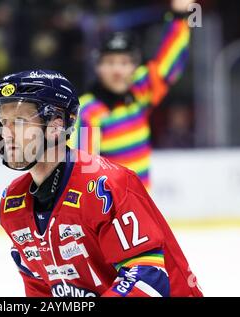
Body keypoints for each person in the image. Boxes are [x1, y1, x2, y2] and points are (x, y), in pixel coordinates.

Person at [0, 69, 202, 297]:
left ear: (56, 125)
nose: (6, 133)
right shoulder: (13, 203)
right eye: (3, 122)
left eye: (19, 122)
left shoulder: (106, 186)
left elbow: (149, 278)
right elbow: (40, 287)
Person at [70, 0, 195, 190]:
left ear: (135, 67)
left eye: (124, 63)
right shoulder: (88, 111)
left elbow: (169, 65)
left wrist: (179, 16)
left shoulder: (139, 90)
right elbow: (85, 174)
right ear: (97, 67)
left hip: (142, 206)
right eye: (110, 63)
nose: (117, 70)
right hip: (111, 211)